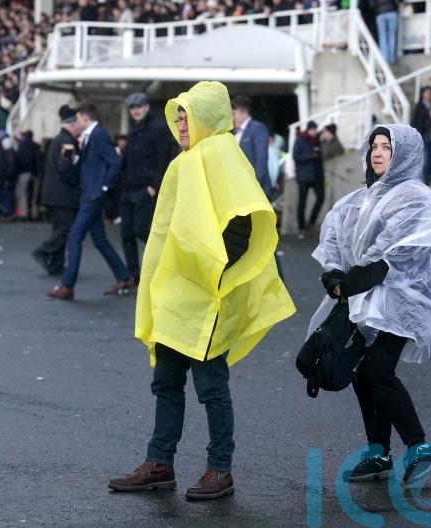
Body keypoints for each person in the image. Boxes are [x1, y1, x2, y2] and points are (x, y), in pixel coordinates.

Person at [109, 81, 295, 500]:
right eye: (177, 116)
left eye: (187, 115)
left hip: (208, 292)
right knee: (167, 380)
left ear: (206, 115)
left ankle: (219, 469)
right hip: (177, 292)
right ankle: (160, 463)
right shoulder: (184, 160)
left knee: (211, 385)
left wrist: (213, 271)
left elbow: (243, 221)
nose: (181, 123)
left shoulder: (223, 154)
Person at [310, 123, 431, 487]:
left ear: (403, 154)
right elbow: (336, 239)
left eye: (387, 147)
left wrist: (348, 283)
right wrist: (334, 275)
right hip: (365, 297)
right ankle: (378, 451)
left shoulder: (414, 197)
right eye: (374, 145)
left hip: (403, 297)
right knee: (360, 371)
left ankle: (418, 446)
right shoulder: (362, 198)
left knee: (377, 369)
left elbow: (396, 254)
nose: (377, 152)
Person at [47, 103, 134, 300]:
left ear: (85, 118)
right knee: (100, 240)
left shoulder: (97, 135)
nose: (76, 122)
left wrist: (103, 187)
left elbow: (114, 161)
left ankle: (67, 285)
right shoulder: (91, 136)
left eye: (77, 119)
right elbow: (93, 164)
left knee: (74, 236)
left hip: (92, 195)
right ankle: (123, 276)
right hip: (90, 193)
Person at [119, 92, 177, 283]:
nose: (135, 110)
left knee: (142, 229)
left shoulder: (158, 128)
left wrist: (154, 186)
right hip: (129, 189)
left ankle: (165, 264)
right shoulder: (134, 129)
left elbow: (164, 158)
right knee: (126, 233)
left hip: (146, 189)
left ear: (146, 107)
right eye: (132, 108)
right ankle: (134, 275)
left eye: (138, 106)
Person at [32, 105, 81, 275]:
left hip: (54, 194)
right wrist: (76, 181)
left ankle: (55, 263)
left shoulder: (59, 139)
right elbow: (65, 167)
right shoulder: (67, 142)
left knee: (59, 228)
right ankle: (44, 251)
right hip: (63, 195)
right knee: (65, 229)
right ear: (72, 124)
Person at [232, 95, 271, 197]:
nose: (232, 118)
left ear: (244, 113)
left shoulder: (258, 128)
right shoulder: (235, 133)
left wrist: (254, 187)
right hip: (240, 191)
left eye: (234, 114)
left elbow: (261, 160)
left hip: (255, 191)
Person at [292, 121, 325, 237]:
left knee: (321, 197)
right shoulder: (300, 140)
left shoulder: (317, 141)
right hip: (304, 176)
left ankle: (311, 222)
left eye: (315, 130)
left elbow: (320, 160)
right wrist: (310, 156)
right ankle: (301, 228)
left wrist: (322, 176)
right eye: (313, 130)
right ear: (308, 130)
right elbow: (296, 157)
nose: (315, 132)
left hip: (316, 176)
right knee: (302, 202)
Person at [411, 86, 431, 183]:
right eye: (427, 93)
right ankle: (424, 180)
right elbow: (414, 121)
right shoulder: (419, 106)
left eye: (430, 93)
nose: (429, 95)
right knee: (425, 158)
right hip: (422, 134)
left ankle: (430, 177)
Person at [14, 130, 40, 220]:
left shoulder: (22, 146)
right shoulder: (36, 146)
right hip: (35, 172)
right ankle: (34, 214)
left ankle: (23, 213)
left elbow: (21, 159)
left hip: (24, 171)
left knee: (22, 193)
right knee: (34, 195)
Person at [370, 0, 399, 64]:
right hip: (392, 11)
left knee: (382, 37)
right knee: (392, 36)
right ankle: (392, 59)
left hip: (380, 13)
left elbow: (371, 4)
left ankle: (384, 58)